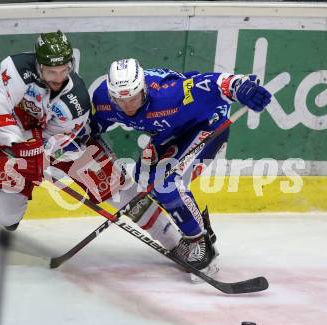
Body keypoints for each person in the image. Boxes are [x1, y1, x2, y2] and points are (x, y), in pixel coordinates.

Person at [0, 31, 185, 259]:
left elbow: (56, 142)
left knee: (122, 193)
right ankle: (8, 215)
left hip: (73, 146)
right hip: (21, 140)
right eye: (51, 72)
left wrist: (34, 153)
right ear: (39, 66)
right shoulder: (15, 69)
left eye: (64, 70)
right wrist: (14, 144)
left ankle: (175, 242)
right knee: (6, 216)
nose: (59, 78)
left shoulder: (76, 102)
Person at [90, 58, 271, 280]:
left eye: (133, 97)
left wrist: (240, 86)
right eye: (120, 99)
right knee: (145, 177)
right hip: (173, 132)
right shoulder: (103, 98)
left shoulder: (170, 95)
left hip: (208, 125)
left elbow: (211, 83)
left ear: (144, 90)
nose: (127, 105)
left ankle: (199, 242)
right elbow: (92, 127)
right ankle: (199, 226)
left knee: (165, 183)